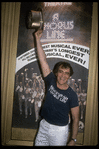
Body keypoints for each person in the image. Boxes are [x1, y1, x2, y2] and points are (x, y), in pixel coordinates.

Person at [34, 29, 79, 146]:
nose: (63, 75)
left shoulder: (72, 95)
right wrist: (37, 40)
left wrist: (73, 139)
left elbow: (75, 118)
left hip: (59, 131)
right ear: (56, 73)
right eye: (61, 72)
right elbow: (43, 60)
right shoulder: (51, 81)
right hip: (44, 125)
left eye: (66, 73)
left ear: (69, 76)